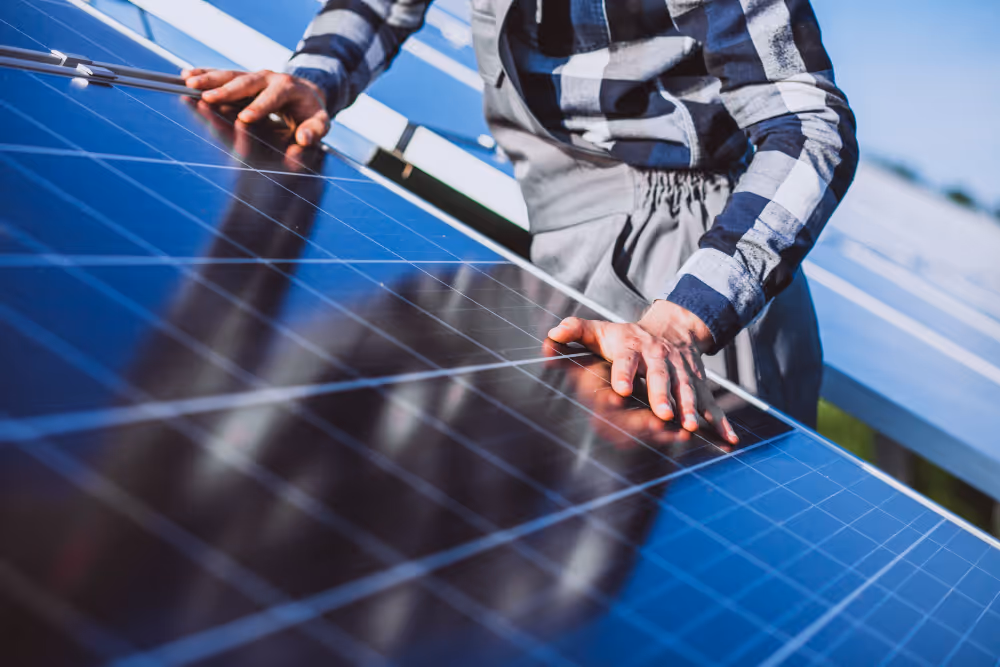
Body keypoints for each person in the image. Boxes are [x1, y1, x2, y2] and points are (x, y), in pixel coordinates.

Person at [181, 0, 858, 442]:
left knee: (699, 585)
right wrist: (316, 76)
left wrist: (685, 316)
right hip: (564, 248)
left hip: (691, 276)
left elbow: (809, 127)